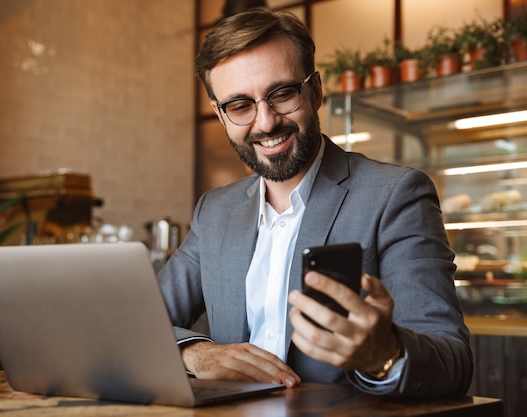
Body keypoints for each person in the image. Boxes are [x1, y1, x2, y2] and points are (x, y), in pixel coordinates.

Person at [158, 7, 472, 397]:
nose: (266, 122)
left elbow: (452, 360)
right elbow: (144, 323)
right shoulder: (214, 211)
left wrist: (383, 354)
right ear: (221, 116)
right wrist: (197, 354)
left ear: (316, 91)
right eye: (240, 106)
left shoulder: (397, 195)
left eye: (282, 94)